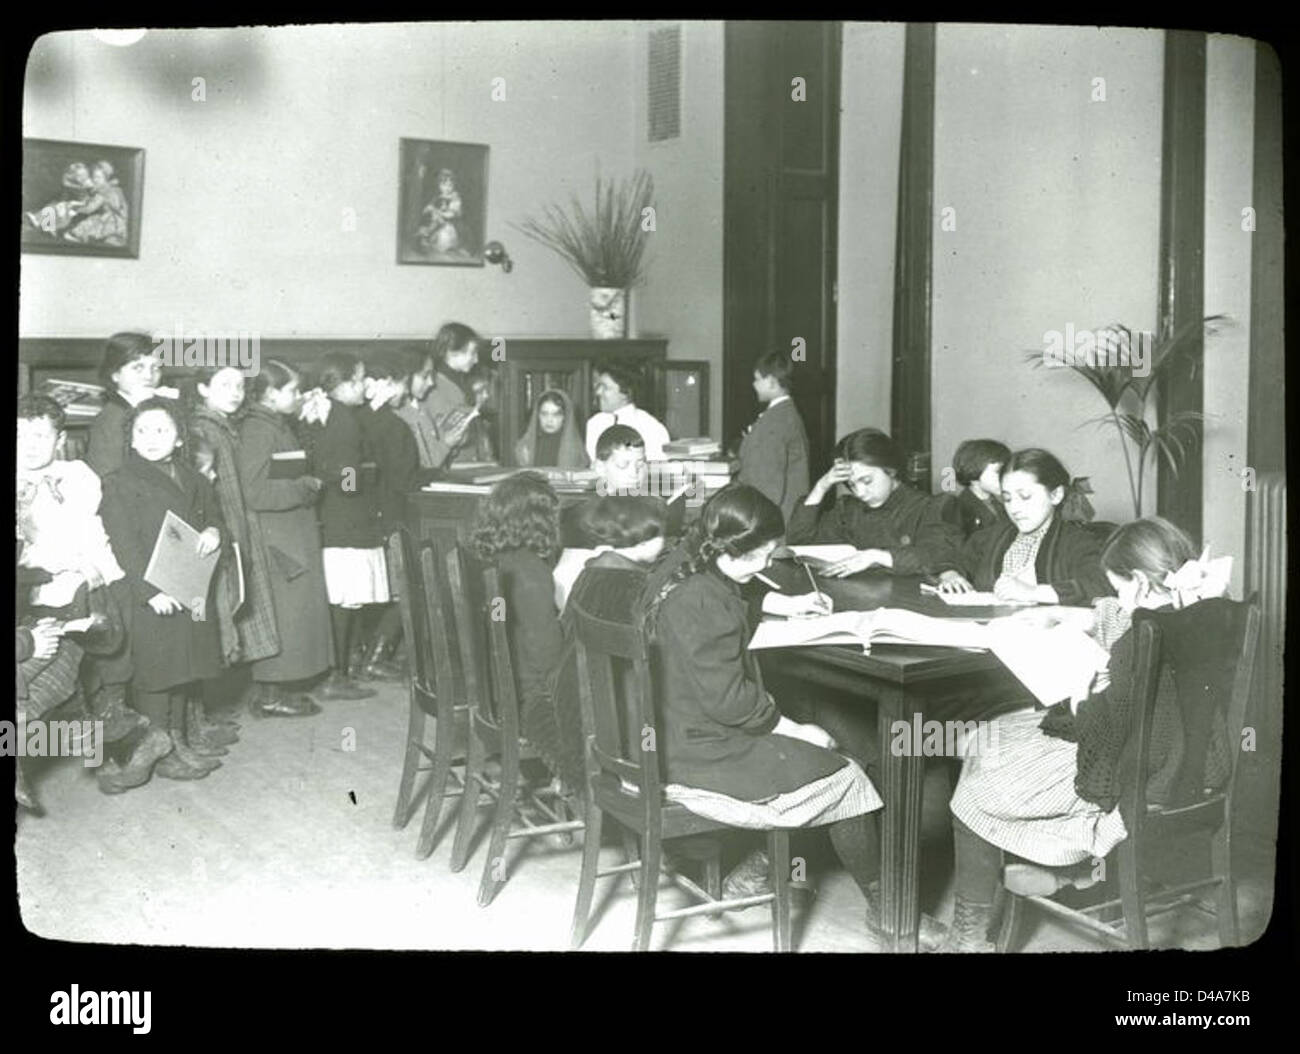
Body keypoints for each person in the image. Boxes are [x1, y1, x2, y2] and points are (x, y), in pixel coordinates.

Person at [640, 484, 939, 946]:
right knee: (845, 775)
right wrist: (796, 729)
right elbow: (732, 703)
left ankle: (755, 873)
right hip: (702, 756)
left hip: (667, 738)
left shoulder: (679, 572)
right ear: (737, 549)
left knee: (810, 753)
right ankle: (891, 913)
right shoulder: (703, 602)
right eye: (762, 555)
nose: (767, 565)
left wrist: (781, 604)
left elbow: (716, 609)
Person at [939, 517, 1234, 952]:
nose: (1116, 597)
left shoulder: (1145, 636)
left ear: (1137, 582)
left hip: (1141, 774)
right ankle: (1069, 873)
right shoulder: (1208, 616)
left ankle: (969, 938)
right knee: (999, 739)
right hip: (1199, 765)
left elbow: (1107, 732)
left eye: (1117, 588)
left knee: (976, 788)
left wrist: (1080, 696)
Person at [16, 395, 170, 797]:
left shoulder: (77, 476)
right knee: (67, 689)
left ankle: (127, 746)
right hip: (28, 595)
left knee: (73, 681)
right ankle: (129, 747)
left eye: (39, 435)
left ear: (59, 439)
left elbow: (76, 542)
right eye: (20, 434)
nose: (29, 444)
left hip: (78, 591)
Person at [100, 398, 226, 780]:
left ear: (178, 439)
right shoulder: (119, 482)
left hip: (189, 584)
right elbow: (124, 545)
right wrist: (149, 592)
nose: (151, 438)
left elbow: (215, 516)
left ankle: (178, 739)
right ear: (131, 441)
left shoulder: (194, 478)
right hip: (153, 594)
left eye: (162, 430)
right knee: (157, 672)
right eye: (142, 431)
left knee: (185, 666)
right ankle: (157, 749)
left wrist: (214, 530)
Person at [237, 360, 334, 716]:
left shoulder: (275, 424)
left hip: (290, 532)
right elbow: (255, 492)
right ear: (269, 393)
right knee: (284, 617)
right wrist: (304, 488)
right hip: (277, 538)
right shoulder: (259, 430)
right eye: (292, 390)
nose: (298, 396)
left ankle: (276, 691)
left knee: (291, 617)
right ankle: (270, 696)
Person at [470, 474, 571, 789]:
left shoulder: (492, 561)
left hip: (496, 694)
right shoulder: (531, 573)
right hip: (529, 700)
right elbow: (549, 657)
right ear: (539, 522)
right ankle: (578, 789)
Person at [300, 352, 384, 700]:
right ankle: (338, 676)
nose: (365, 385)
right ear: (342, 383)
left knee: (338, 600)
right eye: (360, 379)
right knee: (346, 601)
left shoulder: (318, 411)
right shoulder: (346, 419)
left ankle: (336, 671)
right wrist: (364, 474)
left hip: (329, 517)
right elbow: (347, 478)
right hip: (348, 518)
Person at [357, 348, 441, 678]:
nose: (405, 392)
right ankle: (377, 657)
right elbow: (407, 480)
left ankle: (363, 653)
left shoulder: (357, 419)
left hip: (364, 516)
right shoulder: (394, 427)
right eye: (401, 384)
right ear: (387, 383)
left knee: (370, 589)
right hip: (395, 515)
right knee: (404, 585)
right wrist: (437, 476)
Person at [938, 448, 1112, 605]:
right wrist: (950, 574)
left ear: (1056, 495)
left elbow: (1101, 583)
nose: (1014, 508)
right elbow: (953, 558)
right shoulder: (993, 536)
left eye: (1025, 496)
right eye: (1007, 498)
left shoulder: (1077, 543)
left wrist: (1034, 592)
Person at [786, 429, 963, 578]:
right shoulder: (847, 510)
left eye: (867, 480)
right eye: (852, 484)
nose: (860, 492)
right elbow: (801, 544)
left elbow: (939, 555)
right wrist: (821, 487)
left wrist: (876, 556)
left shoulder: (930, 507)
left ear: (891, 470)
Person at [561, 424, 684, 547]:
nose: (634, 473)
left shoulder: (656, 511)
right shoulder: (581, 519)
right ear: (600, 468)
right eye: (623, 466)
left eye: (640, 464)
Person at [85, 331, 177, 478]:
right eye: (138, 367)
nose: (148, 376)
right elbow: (108, 480)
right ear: (114, 374)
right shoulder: (111, 418)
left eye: (155, 368)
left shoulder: (149, 411)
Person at [737, 350, 810, 525]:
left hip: (773, 523)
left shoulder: (775, 421)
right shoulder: (785, 414)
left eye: (757, 379)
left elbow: (767, 488)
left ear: (770, 382)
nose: (754, 385)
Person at [419, 321, 490, 467]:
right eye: (472, 353)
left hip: (468, 463)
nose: (476, 360)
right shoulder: (434, 387)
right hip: (450, 466)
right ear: (451, 351)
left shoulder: (463, 383)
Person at [584, 362, 670, 462]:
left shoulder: (651, 429)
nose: (598, 392)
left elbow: (657, 472)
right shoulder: (594, 424)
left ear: (625, 393)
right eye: (599, 386)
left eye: (605, 387)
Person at [943, 438, 1011, 538]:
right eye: (998, 471)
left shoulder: (1000, 504)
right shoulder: (958, 511)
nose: (1004, 477)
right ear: (974, 470)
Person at [514, 388, 587, 469]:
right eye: (544, 414)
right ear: (537, 415)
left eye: (556, 414)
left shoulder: (575, 448)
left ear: (565, 417)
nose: (549, 420)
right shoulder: (526, 445)